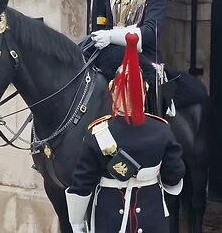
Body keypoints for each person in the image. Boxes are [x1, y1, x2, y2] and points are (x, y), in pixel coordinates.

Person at [65, 33, 185, 233]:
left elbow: (82, 185)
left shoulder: (98, 133)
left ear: (112, 90)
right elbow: (174, 178)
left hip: (108, 218)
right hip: (152, 219)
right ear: (145, 91)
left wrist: (77, 225)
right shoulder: (163, 130)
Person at [92, 0, 167, 64]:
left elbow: (151, 31)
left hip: (144, 56)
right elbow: (110, 26)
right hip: (114, 54)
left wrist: (111, 36)